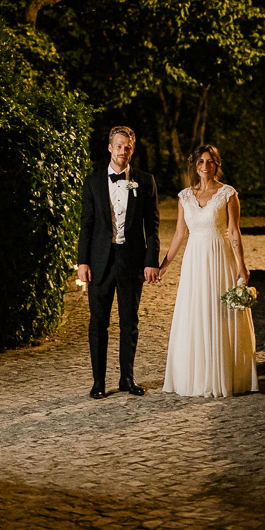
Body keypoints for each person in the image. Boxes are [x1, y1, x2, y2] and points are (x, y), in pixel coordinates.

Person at [159, 144, 258, 397]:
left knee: (220, 313)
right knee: (195, 312)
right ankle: (196, 375)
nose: (205, 166)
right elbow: (180, 234)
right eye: (201, 161)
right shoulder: (185, 196)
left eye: (210, 161)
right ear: (195, 165)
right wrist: (165, 265)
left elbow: (234, 231)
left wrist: (241, 265)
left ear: (217, 164)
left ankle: (225, 373)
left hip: (219, 258)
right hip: (194, 261)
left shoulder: (228, 194)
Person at [77, 126, 161, 400]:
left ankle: (127, 378)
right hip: (100, 262)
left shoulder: (144, 181)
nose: (122, 151)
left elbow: (153, 226)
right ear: (110, 148)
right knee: (98, 323)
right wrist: (82, 262)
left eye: (127, 147)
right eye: (118, 146)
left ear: (132, 150)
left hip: (132, 261)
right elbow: (86, 225)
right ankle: (98, 382)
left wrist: (152, 261)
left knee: (130, 322)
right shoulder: (93, 182)